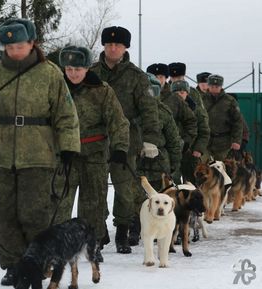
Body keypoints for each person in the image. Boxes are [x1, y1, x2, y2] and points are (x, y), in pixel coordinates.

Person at [0, 18, 81, 286]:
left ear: (32, 43)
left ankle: (37, 262)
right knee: (3, 213)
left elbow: (66, 115)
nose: (14, 51)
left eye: (19, 46)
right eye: (9, 46)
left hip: (39, 154)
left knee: (34, 213)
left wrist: (69, 146)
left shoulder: (51, 74)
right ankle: (13, 265)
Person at [54, 45, 130, 262]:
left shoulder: (102, 90)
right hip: (64, 156)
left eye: (78, 68)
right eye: (69, 68)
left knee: (93, 204)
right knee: (60, 202)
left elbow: (118, 122)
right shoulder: (56, 89)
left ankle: (93, 244)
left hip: (94, 156)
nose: (74, 73)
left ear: (87, 68)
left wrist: (120, 148)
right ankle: (59, 244)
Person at [91, 26, 161, 254]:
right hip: (95, 139)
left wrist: (150, 140)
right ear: (103, 46)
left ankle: (122, 231)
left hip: (128, 139)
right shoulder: (91, 73)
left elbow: (150, 109)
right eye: (109, 44)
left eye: (118, 45)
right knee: (96, 187)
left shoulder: (136, 76)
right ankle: (98, 233)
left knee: (125, 189)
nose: (113, 48)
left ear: (125, 48)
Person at [129, 73, 182, 246]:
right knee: (134, 195)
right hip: (137, 159)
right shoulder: (132, 112)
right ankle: (132, 230)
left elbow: (173, 140)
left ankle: (162, 231)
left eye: (154, 90)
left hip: (159, 161)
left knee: (160, 197)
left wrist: (174, 164)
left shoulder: (164, 113)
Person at [171, 80, 210, 184]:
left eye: (182, 92)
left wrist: (198, 149)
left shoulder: (197, 111)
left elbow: (204, 132)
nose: (179, 95)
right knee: (173, 180)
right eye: (176, 93)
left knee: (192, 182)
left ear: (187, 93)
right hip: (173, 151)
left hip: (191, 152)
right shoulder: (167, 109)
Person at [202, 74, 243, 161]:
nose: (214, 88)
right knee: (204, 170)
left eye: (217, 86)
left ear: (221, 86)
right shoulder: (201, 100)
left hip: (224, 143)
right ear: (208, 86)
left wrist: (236, 140)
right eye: (212, 86)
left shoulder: (230, 101)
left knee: (222, 170)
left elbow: (238, 122)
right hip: (205, 142)